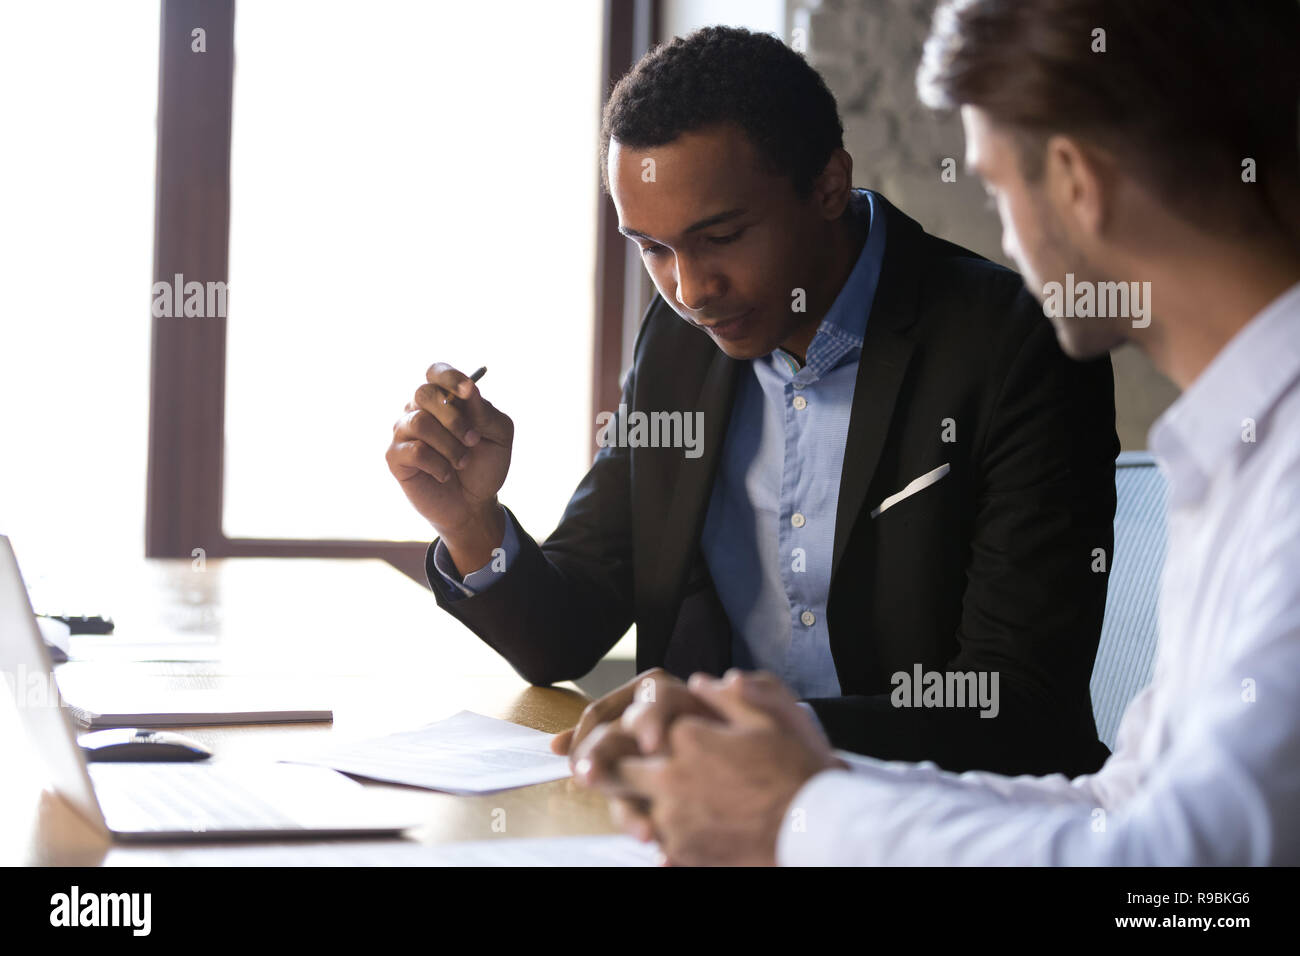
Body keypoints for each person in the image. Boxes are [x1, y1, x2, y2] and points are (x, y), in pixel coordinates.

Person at [576, 0, 1300, 866]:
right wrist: (787, 778)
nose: (1000, 231)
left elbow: (1191, 878)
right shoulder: (1238, 454)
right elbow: (1125, 803)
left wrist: (796, 813)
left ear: (1076, 183)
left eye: (994, 182)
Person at [386, 25, 1120, 779]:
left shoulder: (1013, 343)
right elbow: (566, 635)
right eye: (653, 248)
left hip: (949, 819)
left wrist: (744, 728)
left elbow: (1019, 704)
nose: (691, 290)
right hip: (725, 818)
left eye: (723, 236)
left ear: (829, 185)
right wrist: (470, 522)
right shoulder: (677, 344)